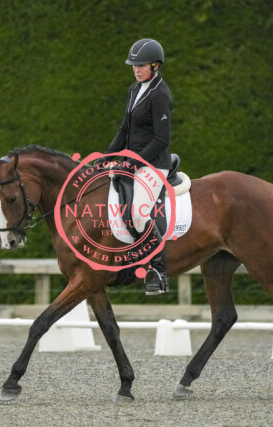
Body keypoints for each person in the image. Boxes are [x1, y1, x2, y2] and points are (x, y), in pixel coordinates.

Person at [101, 38, 173, 295]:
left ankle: (158, 270)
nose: (136, 69)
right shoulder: (134, 90)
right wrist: (106, 157)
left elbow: (162, 139)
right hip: (133, 162)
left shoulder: (160, 94)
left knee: (140, 213)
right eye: (134, 65)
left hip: (154, 165)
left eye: (141, 65)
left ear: (155, 66)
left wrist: (133, 162)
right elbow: (125, 129)